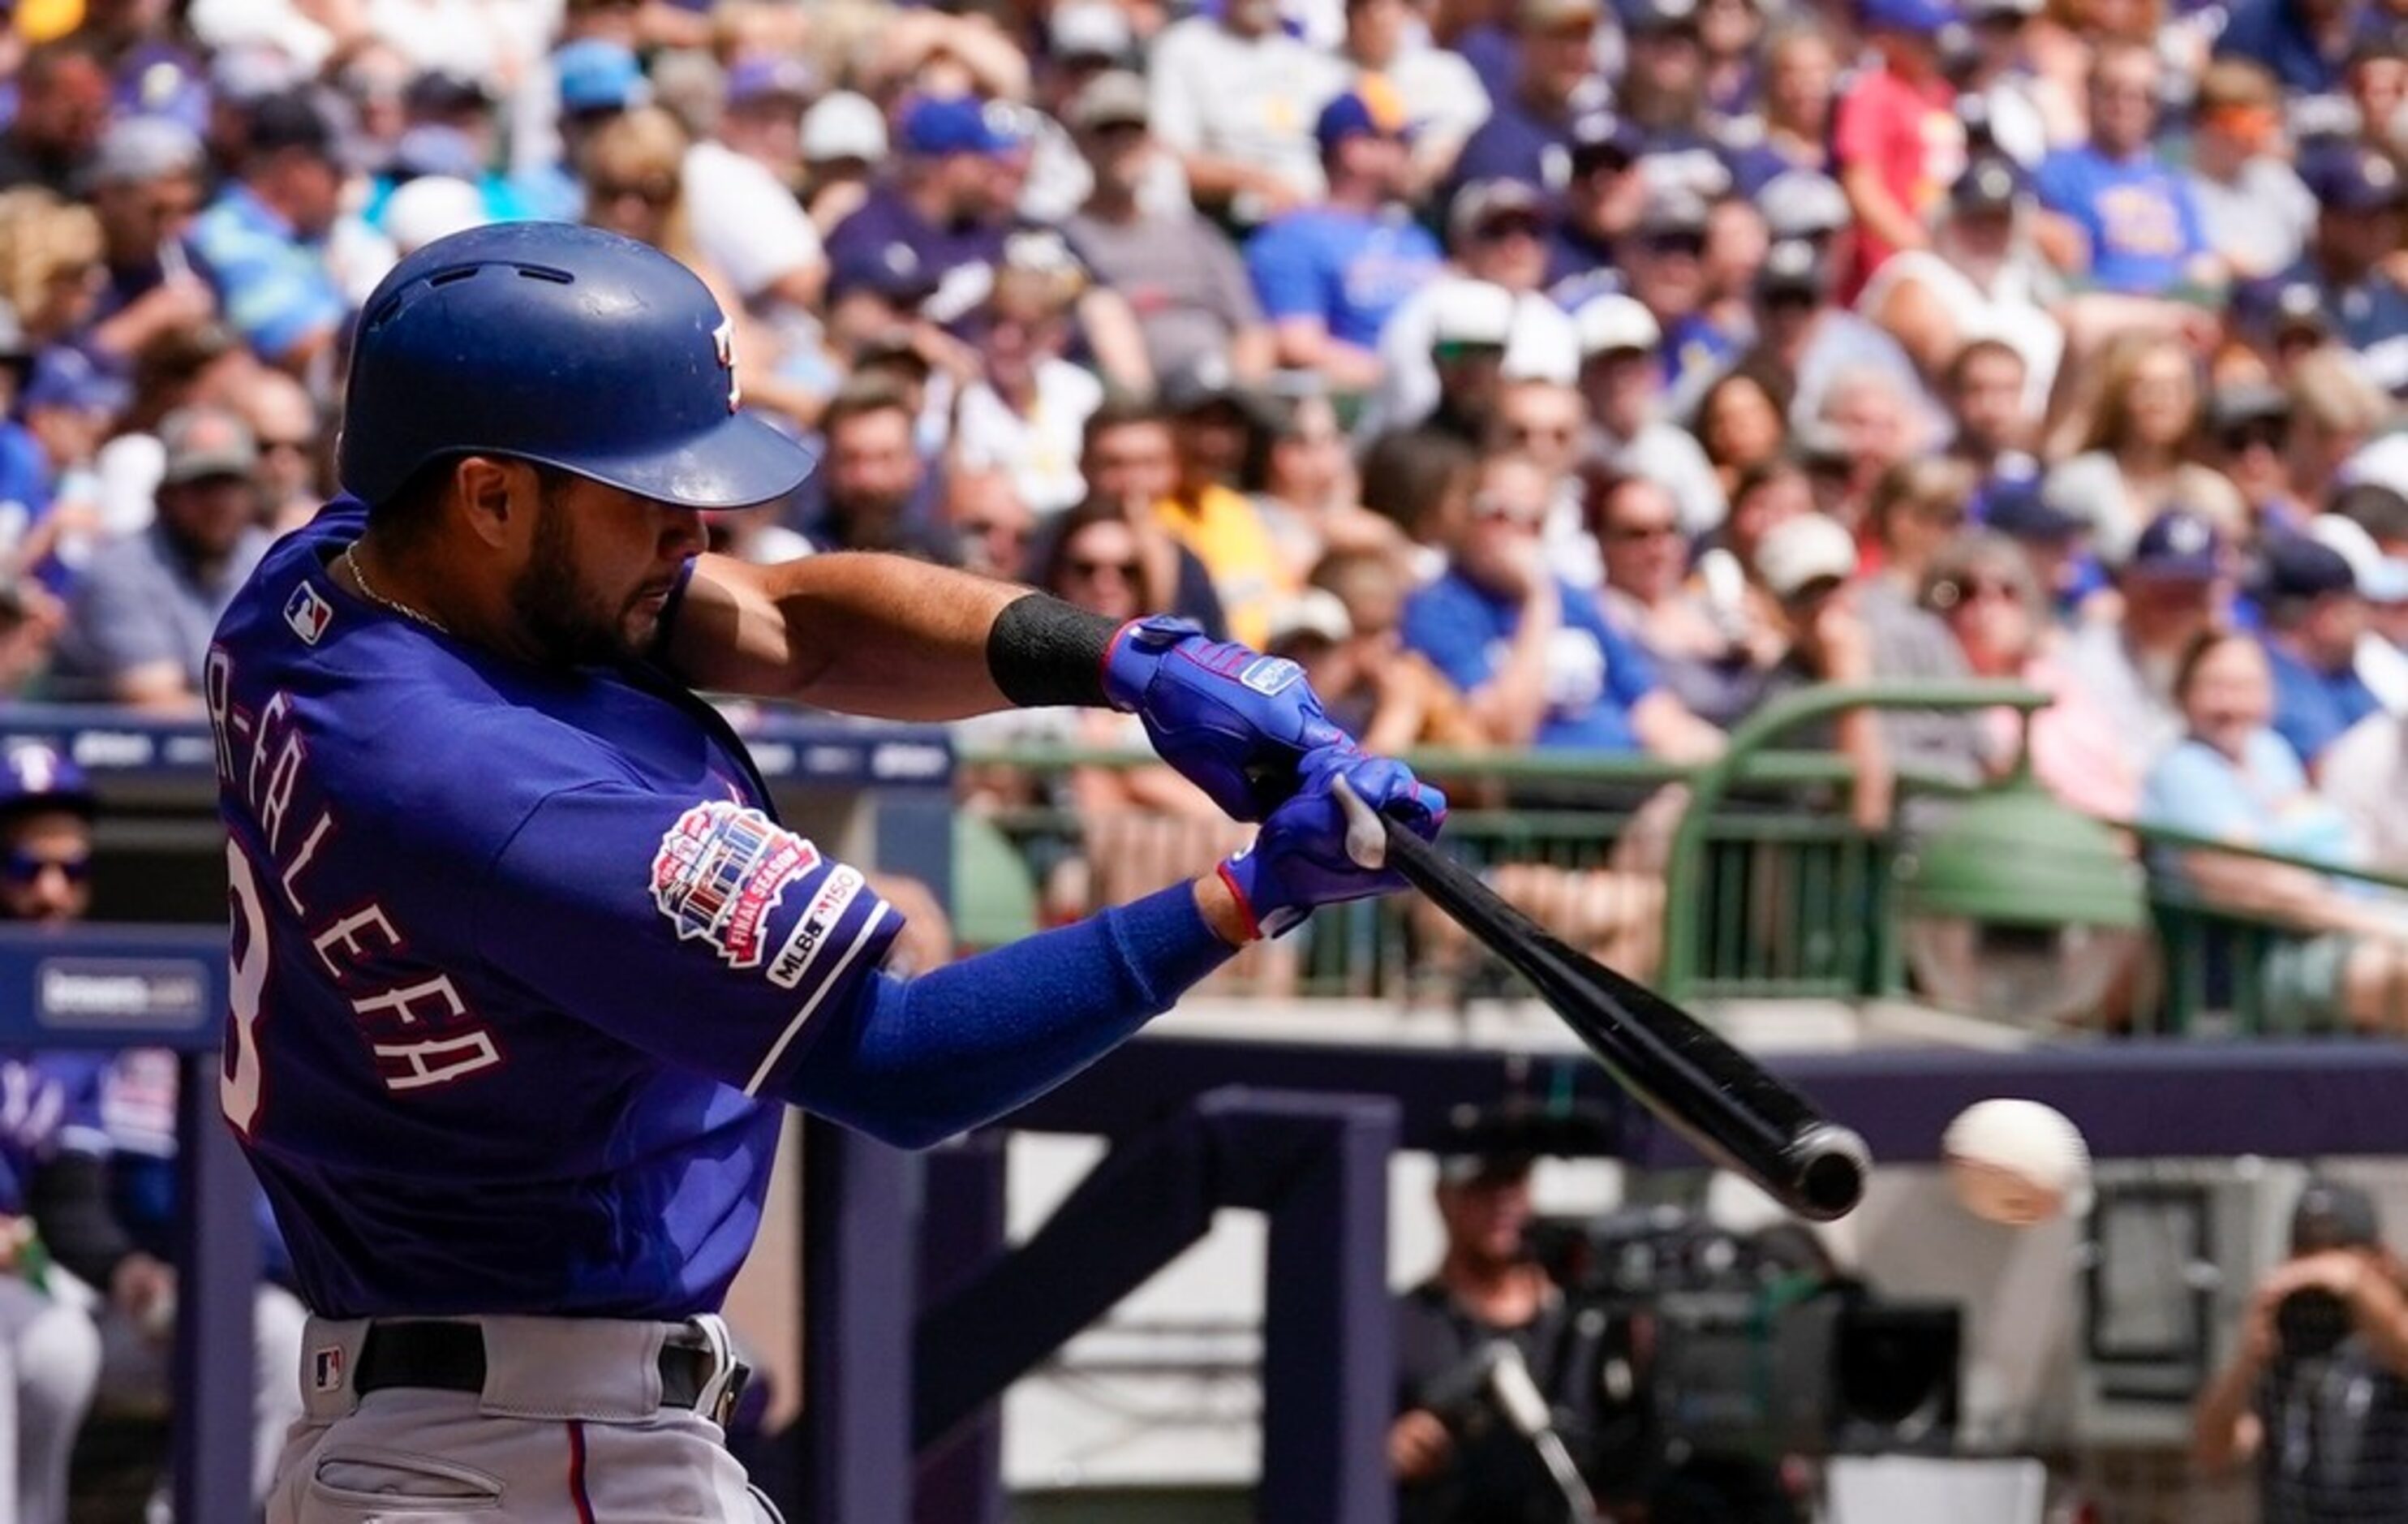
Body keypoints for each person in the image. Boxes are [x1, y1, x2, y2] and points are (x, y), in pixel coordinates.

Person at [210, 222, 1442, 1521]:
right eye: (646, 493)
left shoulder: (323, 586)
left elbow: (796, 626)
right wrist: (1248, 895)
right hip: (540, 1450)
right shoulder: (500, 791)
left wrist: (1120, 659)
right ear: (490, 494)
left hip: (454, 1430)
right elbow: (901, 1061)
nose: (694, 525)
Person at [2194, 1177, 2408, 1523]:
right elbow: (2214, 1452)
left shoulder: (2387, 1341)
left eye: (2336, 1253)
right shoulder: (2284, 1348)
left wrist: (2356, 1286)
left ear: (2377, 1258)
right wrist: (2246, 1359)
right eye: (2307, 1256)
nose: (2320, 1275)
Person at [51, 404, 270, 711]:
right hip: (112, 755)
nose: (219, 503)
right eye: (202, 486)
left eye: (231, 484)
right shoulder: (119, 570)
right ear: (164, 494)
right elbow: (158, 705)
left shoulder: (268, 559)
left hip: (231, 747)